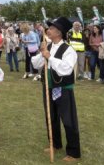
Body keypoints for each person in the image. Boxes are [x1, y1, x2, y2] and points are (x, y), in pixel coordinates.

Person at [32, 17, 81, 162]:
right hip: (48, 87)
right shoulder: (48, 46)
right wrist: (43, 53)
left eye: (52, 28)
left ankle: (73, 152)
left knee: (68, 120)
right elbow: (36, 64)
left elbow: (66, 69)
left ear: (59, 33)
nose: (48, 30)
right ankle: (55, 144)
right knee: (51, 117)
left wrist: (50, 57)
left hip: (63, 88)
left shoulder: (68, 49)